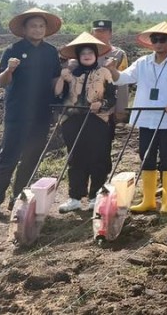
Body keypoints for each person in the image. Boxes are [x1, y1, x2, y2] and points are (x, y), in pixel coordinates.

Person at [109, 22, 167, 214]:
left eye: (162, 40)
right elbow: (123, 78)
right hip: (146, 118)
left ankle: (166, 201)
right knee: (146, 157)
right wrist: (112, 69)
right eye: (155, 40)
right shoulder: (142, 62)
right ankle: (148, 200)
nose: (158, 43)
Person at [0, 8, 63, 219]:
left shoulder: (50, 52)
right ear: (25, 29)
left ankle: (17, 199)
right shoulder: (13, 49)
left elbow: (54, 79)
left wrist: (64, 82)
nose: (38, 29)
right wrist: (9, 70)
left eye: (41, 26)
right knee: (8, 158)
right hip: (18, 112)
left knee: (31, 158)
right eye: (33, 26)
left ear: (45, 29)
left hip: (42, 112)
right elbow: (2, 81)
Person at [54, 33, 117, 213]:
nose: (87, 55)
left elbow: (112, 97)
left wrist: (101, 104)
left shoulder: (104, 73)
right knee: (75, 158)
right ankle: (74, 197)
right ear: (78, 57)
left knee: (98, 157)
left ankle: (95, 196)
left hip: (97, 121)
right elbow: (58, 94)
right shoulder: (71, 74)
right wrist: (61, 77)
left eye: (90, 52)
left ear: (96, 55)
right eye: (83, 53)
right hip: (73, 120)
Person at [90, 20, 129, 120]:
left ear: (110, 33)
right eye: (97, 31)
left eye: (104, 31)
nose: (100, 34)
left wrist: (121, 109)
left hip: (108, 105)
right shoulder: (84, 53)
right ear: (92, 33)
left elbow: (122, 83)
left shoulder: (118, 55)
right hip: (87, 105)